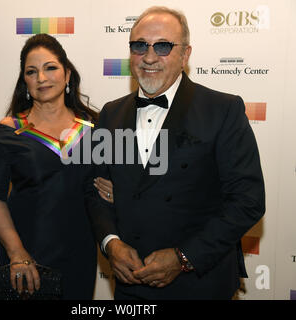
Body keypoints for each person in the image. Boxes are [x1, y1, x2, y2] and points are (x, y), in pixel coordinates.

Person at [89, 6, 265, 299]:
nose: (149, 56)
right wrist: (111, 243)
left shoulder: (222, 110)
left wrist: (184, 257)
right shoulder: (111, 114)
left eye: (163, 46)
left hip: (200, 284)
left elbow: (248, 201)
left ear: (185, 55)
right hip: (131, 287)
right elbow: (93, 192)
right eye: (139, 46)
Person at [0, 33, 102, 299]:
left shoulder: (95, 129)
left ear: (67, 74)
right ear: (24, 81)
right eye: (32, 72)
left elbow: (105, 184)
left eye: (51, 68)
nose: (42, 78)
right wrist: (17, 254)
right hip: (26, 256)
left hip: (78, 254)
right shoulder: (8, 132)